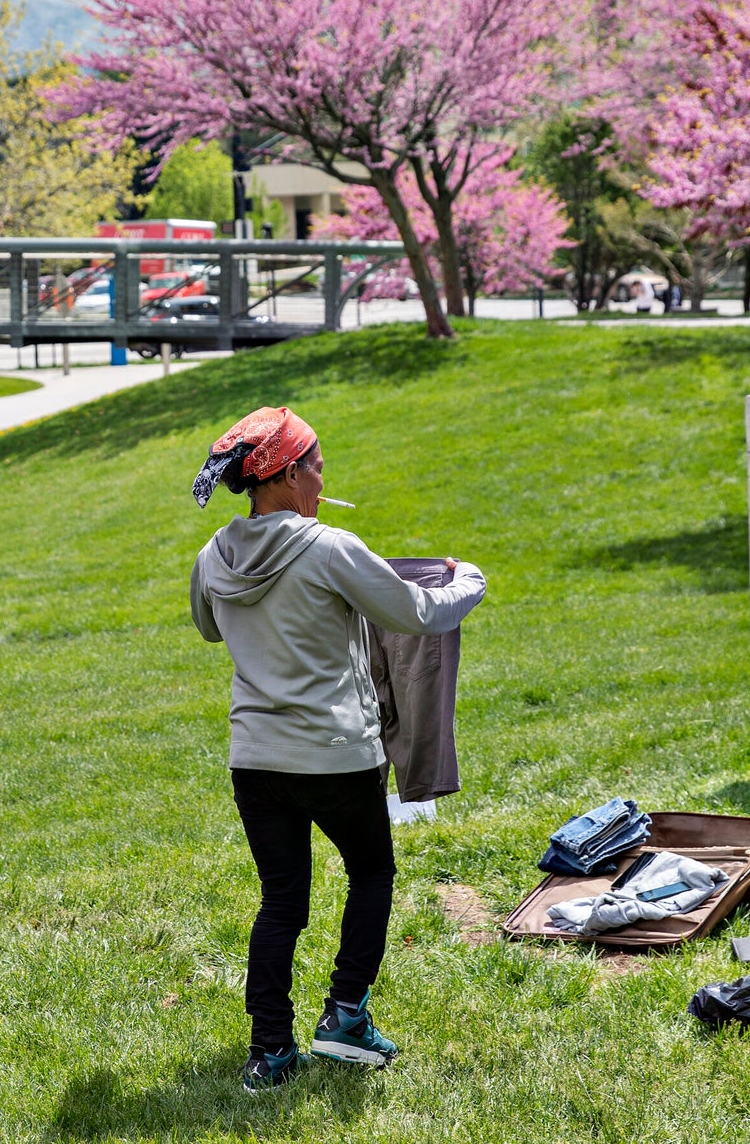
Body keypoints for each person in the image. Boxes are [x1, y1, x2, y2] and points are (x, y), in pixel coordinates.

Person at [188, 406, 485, 1094]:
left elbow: (208, 625)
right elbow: (418, 612)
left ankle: (269, 1051)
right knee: (372, 874)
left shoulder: (213, 555)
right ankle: (345, 1014)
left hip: (254, 758)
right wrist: (468, 577)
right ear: (287, 473)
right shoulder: (328, 547)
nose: (324, 477)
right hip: (335, 754)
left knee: (282, 900)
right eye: (317, 466)